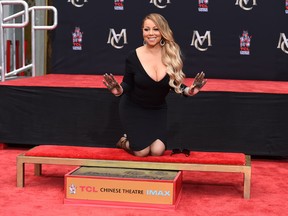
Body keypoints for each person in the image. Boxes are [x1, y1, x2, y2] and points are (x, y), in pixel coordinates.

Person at [103, 13, 207, 157]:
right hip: (133, 108)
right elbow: (127, 84)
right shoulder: (133, 56)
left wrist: (190, 90)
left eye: (156, 29)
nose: (151, 33)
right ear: (142, 32)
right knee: (142, 152)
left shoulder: (171, 54)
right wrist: (118, 90)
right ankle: (123, 141)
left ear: (163, 31)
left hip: (157, 110)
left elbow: (175, 84)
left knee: (157, 151)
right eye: (146, 29)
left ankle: (136, 140)